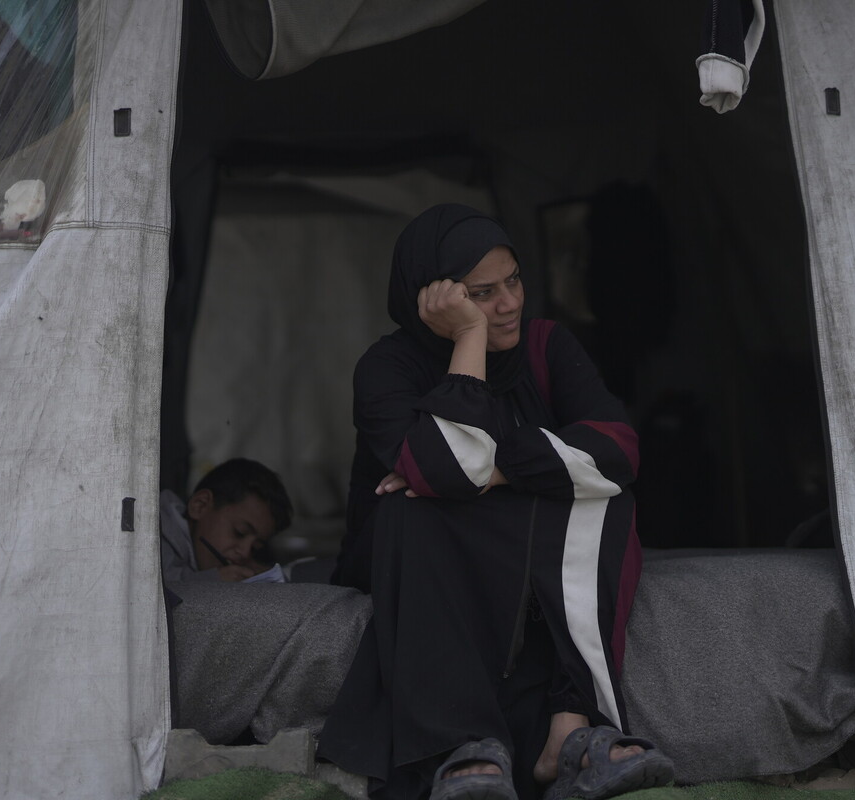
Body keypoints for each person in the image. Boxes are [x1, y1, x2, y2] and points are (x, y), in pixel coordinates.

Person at [317, 205, 673, 800]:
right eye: (482, 293)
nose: (508, 304)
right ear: (432, 298)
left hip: (516, 533)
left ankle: (572, 725)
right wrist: (470, 339)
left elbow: (617, 451)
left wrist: (501, 471)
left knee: (608, 501)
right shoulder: (386, 369)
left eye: (514, 281)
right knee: (415, 507)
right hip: (412, 547)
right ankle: (462, 741)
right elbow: (451, 473)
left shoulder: (546, 345)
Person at [159, 457, 294, 583]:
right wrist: (214, 580)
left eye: (254, 548)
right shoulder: (151, 536)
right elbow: (159, 592)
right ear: (200, 505)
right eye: (239, 532)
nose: (245, 553)